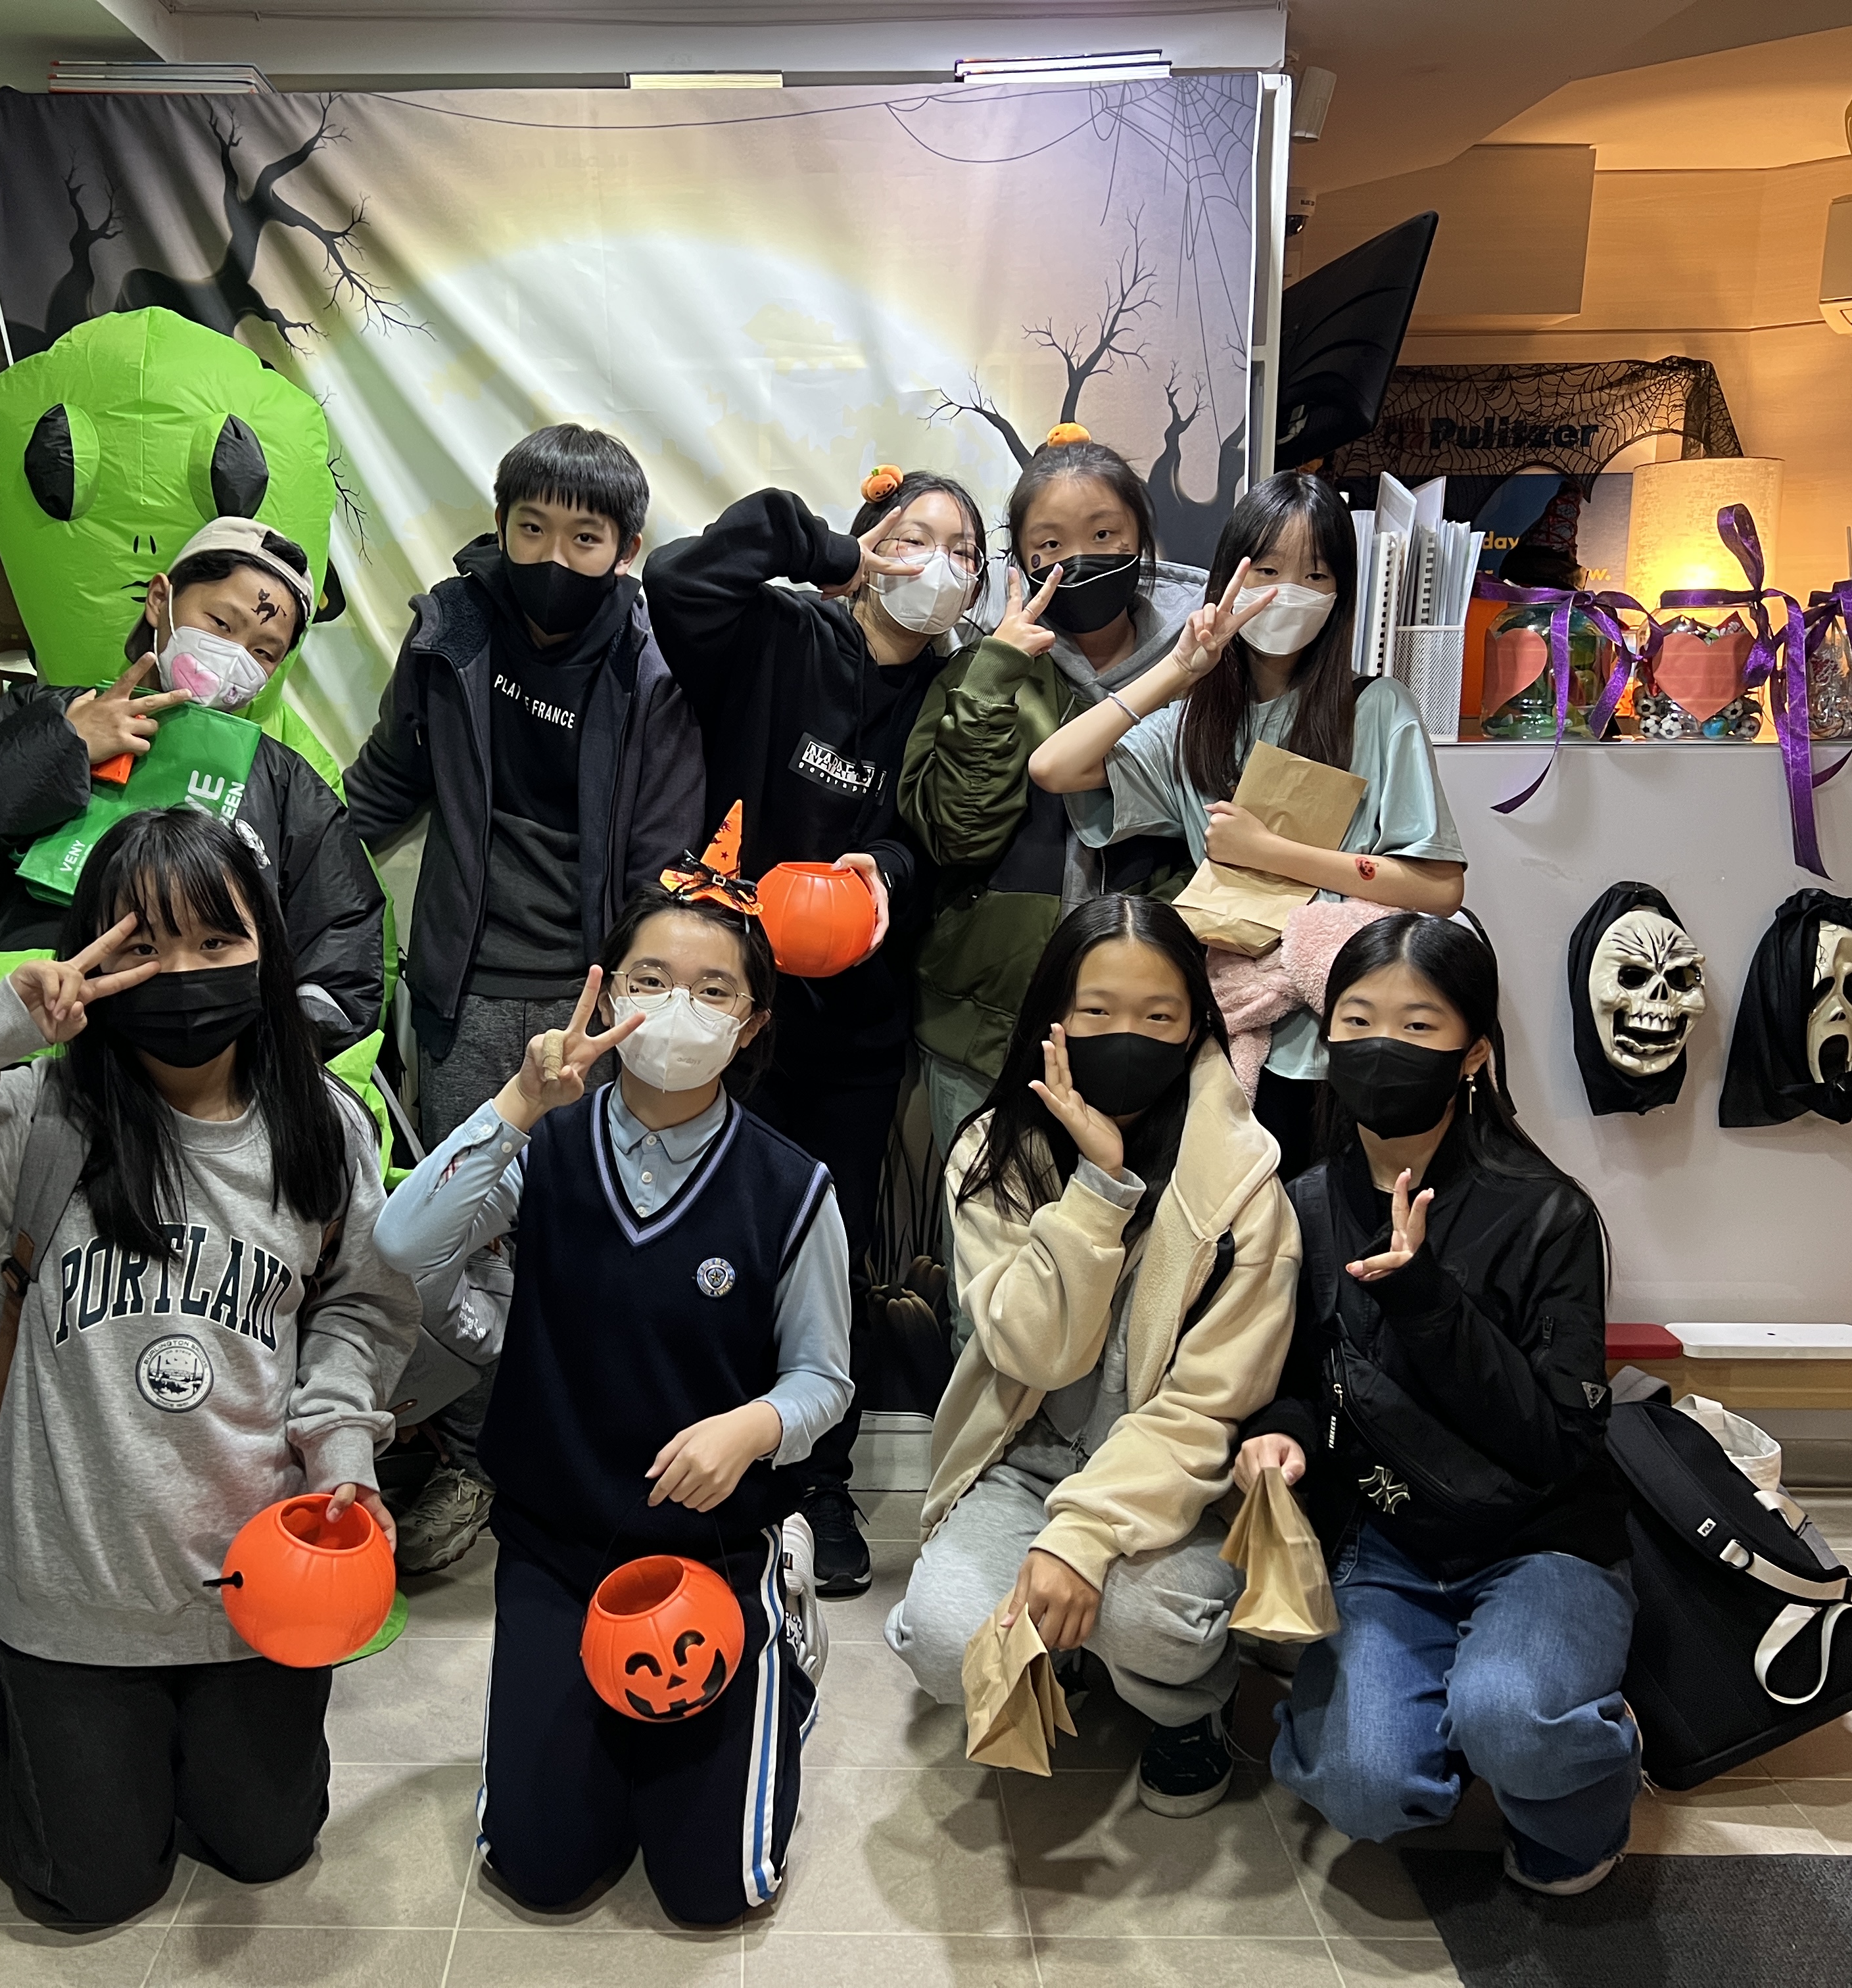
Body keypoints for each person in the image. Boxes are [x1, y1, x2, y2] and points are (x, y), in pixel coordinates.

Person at [0, 810, 417, 1930]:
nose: (183, 974)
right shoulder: (35, 1126)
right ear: (93, 959)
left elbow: (359, 1309)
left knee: (268, 1843)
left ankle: (156, 1743)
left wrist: (342, 1451)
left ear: (266, 947)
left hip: (254, 1586)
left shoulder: (323, 1129)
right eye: (142, 947)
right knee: (91, 1885)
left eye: (215, 941)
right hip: (72, 1592)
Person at [375, 878, 851, 1927]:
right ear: (607, 993)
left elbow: (824, 1382)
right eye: (652, 979)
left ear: (751, 1023)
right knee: (538, 1868)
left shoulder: (792, 1189)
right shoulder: (545, 1146)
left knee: (716, 1890)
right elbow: (402, 1245)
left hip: (712, 1552)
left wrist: (752, 1427)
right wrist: (519, 1102)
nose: (680, 1007)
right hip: (557, 1545)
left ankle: (783, 1643)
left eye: (714, 990)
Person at [343, 421, 704, 1572]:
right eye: (530, 527)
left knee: (591, 1238)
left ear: (625, 547)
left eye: (583, 537)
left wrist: (639, 1002)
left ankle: (576, 1458)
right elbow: (384, 786)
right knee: (454, 1236)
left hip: (593, 998)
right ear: (500, 524)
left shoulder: (654, 661)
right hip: (461, 983)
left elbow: (662, 859)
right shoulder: (451, 630)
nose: (553, 554)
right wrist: (282, 878)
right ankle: (466, 1455)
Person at [1235, 912, 1635, 1897]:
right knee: (1365, 1784)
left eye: (1419, 1026)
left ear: (1475, 1054)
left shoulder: (1548, 1213)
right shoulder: (1303, 1204)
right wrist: (1278, 1438)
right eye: (1358, 1021)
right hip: (1387, 1541)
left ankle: (1572, 1762)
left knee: (1515, 1720)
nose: (1383, 1046)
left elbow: (1557, 1441)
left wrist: (1427, 1303)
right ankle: (1460, 1706)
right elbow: (1294, 1383)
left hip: (1545, 1542)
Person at [643, 465, 985, 1594]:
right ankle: (697, 1463)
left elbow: (948, 836)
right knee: (703, 1237)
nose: (936, 565)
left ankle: (816, 1480)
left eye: (963, 551)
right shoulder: (781, 634)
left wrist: (884, 871)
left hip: (856, 1022)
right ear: (871, 543)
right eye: (914, 537)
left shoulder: (955, 690)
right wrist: (821, 550)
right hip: (722, 1005)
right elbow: (677, 580)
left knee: (825, 1253)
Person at [884, 895, 1298, 1816]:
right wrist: (1099, 1188)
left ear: (1196, 1025)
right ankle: (1069, 1642)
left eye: (1159, 1015)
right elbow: (1035, 1352)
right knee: (945, 1643)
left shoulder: (1245, 1187)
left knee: (1156, 1623)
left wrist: (1081, 1539)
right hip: (1021, 1465)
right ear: (1054, 1019)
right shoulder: (992, 1154)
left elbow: (1205, 1410)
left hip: (1171, 1494)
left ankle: (1187, 1706)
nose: (1127, 1037)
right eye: (1097, 1011)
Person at [1029, 471, 1466, 1177]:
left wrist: (1272, 851)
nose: (1289, 592)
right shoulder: (1192, 726)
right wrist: (1178, 669)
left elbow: (1439, 887)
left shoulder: (1378, 709)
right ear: (1228, 579)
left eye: (1315, 575)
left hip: (1350, 1042)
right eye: (1266, 570)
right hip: (1231, 1040)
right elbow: (1054, 766)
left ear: (1341, 593)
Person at [0, 517, 385, 1058]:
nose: (235, 655)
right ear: (160, 600)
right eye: (219, 623)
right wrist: (63, 746)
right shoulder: (54, 715)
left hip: (210, 1069)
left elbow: (345, 937)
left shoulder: (283, 780)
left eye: (264, 652)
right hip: (47, 1052)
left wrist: (272, 1058)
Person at [901, 433, 1206, 1168]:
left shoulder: (1201, 669)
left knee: (1127, 1227)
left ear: (1141, 539)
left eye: (1104, 534)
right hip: (985, 1033)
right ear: (1023, 559)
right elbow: (957, 835)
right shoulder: (978, 668)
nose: (1079, 558)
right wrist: (996, 671)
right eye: (1050, 544)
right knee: (984, 1234)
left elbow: (1212, 838)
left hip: (1142, 1036)